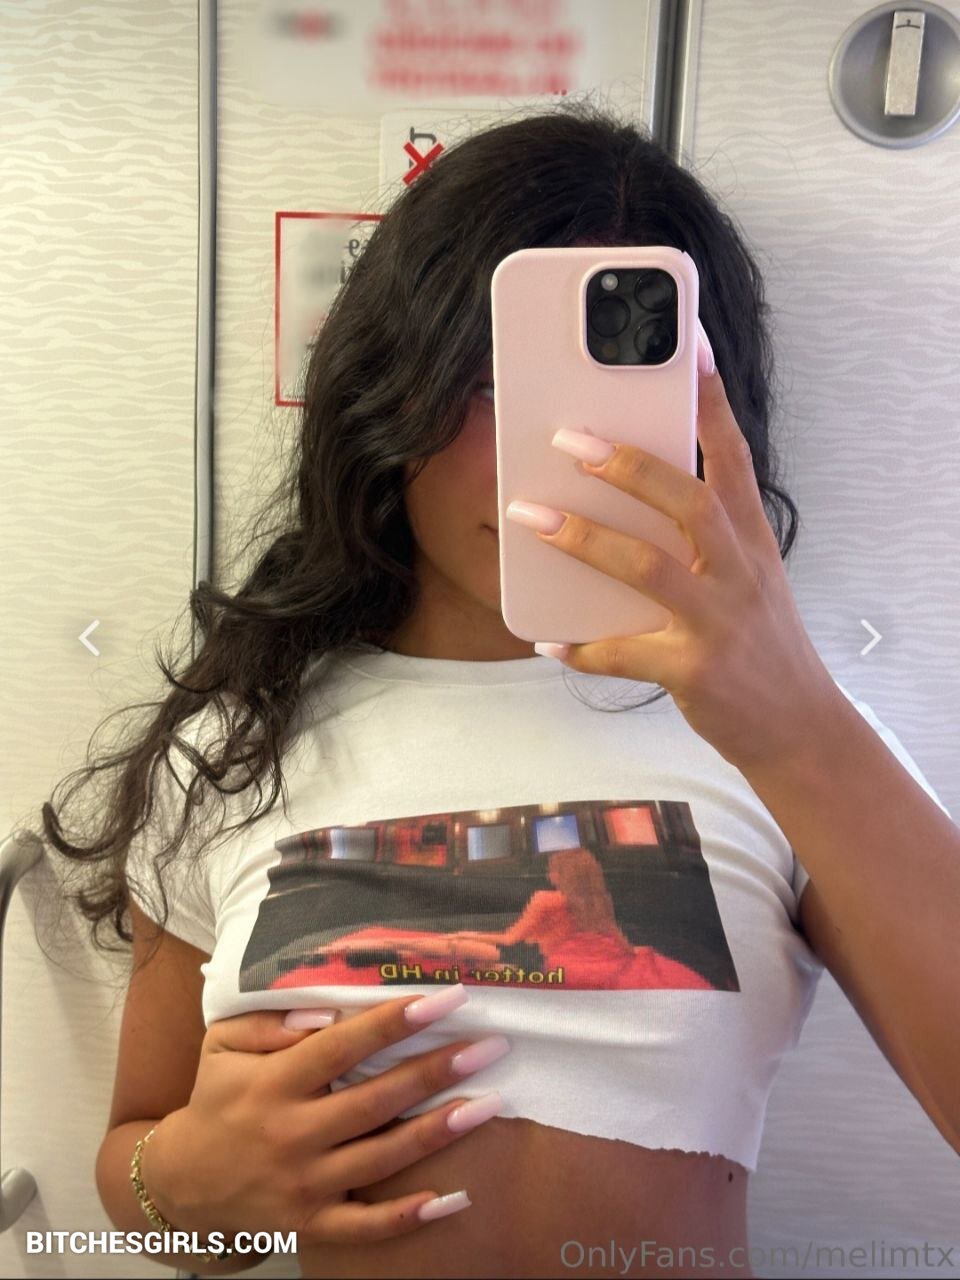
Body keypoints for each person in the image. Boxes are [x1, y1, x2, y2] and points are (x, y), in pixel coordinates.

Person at [38, 103, 960, 1279]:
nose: (561, 454)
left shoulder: (788, 736)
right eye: (488, 381)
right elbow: (146, 1175)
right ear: (391, 389)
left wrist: (796, 725)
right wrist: (191, 1186)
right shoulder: (236, 746)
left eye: (617, 396)